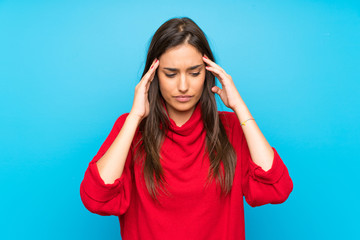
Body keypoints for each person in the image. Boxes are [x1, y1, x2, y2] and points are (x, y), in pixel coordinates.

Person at [80, 17, 293, 240]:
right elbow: (97, 197)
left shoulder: (230, 128)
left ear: (208, 72)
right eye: (170, 74)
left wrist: (240, 107)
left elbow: (276, 189)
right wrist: (135, 117)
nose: (183, 86)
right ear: (153, 76)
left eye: (194, 73)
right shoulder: (131, 129)